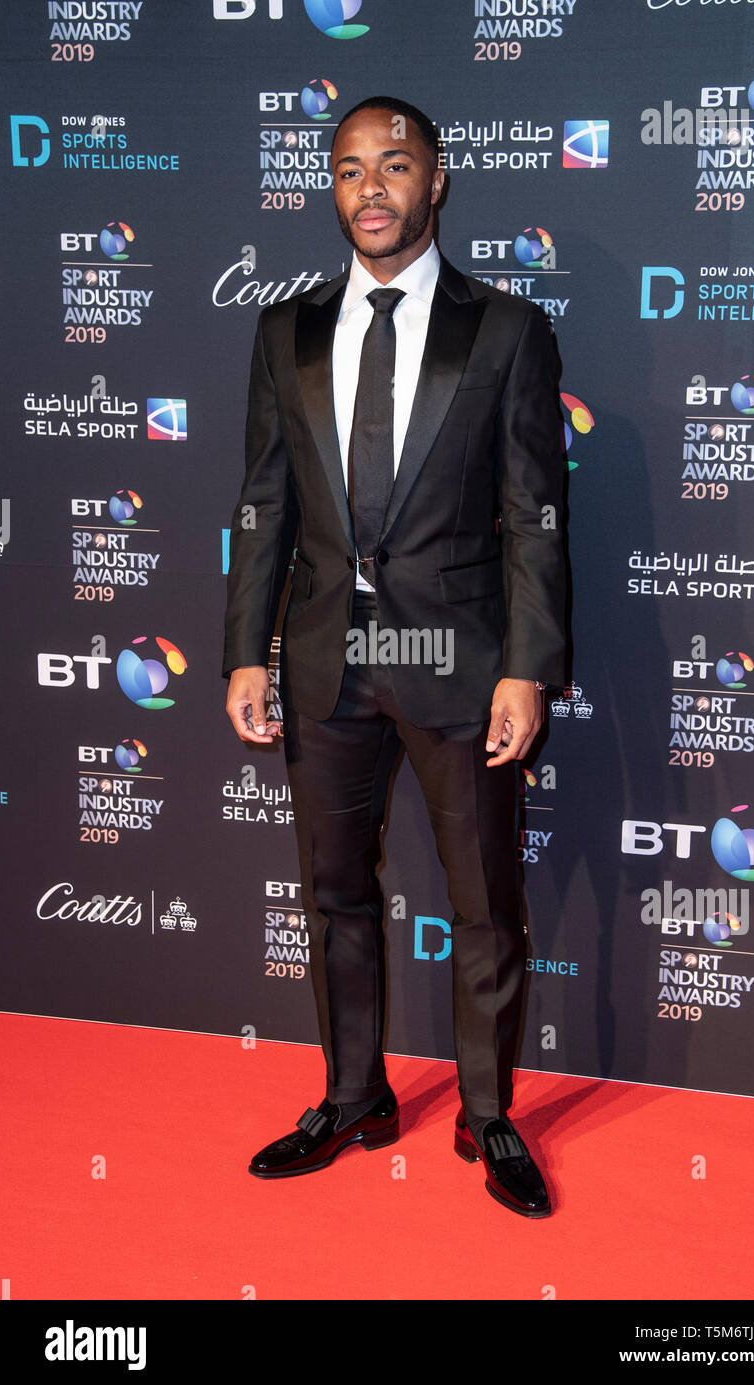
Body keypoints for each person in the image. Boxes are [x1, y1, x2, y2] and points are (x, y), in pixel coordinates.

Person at [223, 95, 568, 1218]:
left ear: (436, 184)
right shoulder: (285, 331)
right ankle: (353, 1093)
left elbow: (532, 514)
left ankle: (486, 1112)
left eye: (394, 166)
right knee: (335, 900)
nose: (370, 188)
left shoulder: (506, 331)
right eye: (348, 169)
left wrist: (525, 664)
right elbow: (263, 507)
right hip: (326, 660)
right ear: (331, 187)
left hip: (458, 660)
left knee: (483, 905)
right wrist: (244, 653)